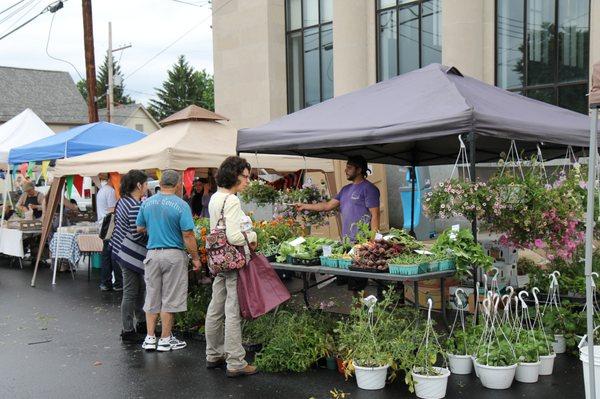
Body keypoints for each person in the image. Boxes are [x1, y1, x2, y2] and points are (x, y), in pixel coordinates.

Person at [205, 156, 258, 378]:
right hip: (234, 260)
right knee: (232, 311)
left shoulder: (215, 197)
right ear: (234, 175)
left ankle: (213, 354)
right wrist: (252, 235)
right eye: (244, 176)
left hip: (219, 260)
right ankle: (236, 362)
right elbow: (234, 236)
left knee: (215, 308)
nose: (247, 180)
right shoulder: (233, 200)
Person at [136, 170, 200, 352]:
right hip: (173, 255)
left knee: (152, 295)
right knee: (169, 298)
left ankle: (149, 338)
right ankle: (165, 339)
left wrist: (154, 227)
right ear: (178, 184)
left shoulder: (147, 203)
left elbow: (139, 227)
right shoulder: (181, 205)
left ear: (161, 183)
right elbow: (187, 234)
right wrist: (195, 258)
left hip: (152, 254)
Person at [296, 155, 380, 294]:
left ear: (359, 170)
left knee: (358, 284)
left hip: (362, 243)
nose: (345, 170)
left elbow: (375, 215)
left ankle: (363, 313)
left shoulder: (369, 189)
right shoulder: (345, 190)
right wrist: (305, 206)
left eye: (349, 167)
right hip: (346, 243)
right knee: (352, 285)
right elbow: (327, 206)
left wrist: (373, 241)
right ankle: (359, 312)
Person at [111, 170, 148, 343]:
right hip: (130, 253)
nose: (147, 187)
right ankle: (127, 329)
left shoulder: (123, 201)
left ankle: (141, 322)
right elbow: (137, 232)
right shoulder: (134, 205)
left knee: (138, 288)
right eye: (145, 184)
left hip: (120, 250)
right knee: (131, 292)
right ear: (139, 185)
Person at [97, 173, 122, 291]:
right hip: (110, 227)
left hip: (103, 226)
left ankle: (105, 282)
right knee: (114, 255)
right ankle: (118, 283)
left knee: (106, 255)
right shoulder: (110, 191)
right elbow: (112, 210)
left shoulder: (102, 190)